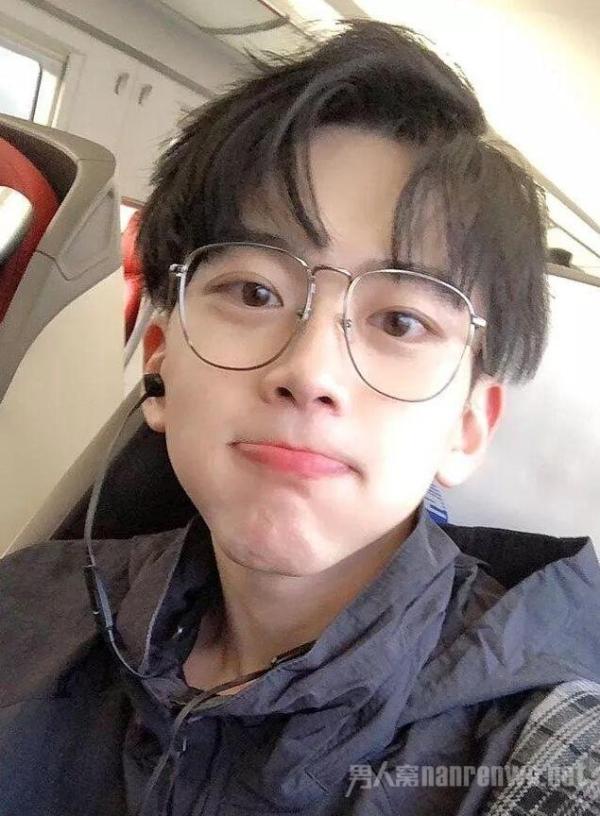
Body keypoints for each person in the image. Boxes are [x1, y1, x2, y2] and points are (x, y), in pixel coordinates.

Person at [1, 19, 599, 816]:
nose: (310, 373)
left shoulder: (539, 755)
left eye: (401, 322)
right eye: (254, 293)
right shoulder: (25, 607)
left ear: (469, 427)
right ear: (160, 363)